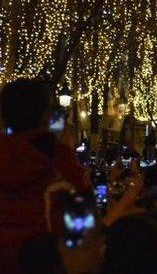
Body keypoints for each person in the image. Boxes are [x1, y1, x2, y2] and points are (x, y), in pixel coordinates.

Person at [0, 78, 90, 273]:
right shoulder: (57, 163)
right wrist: (65, 149)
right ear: (46, 117)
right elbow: (85, 214)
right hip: (42, 263)